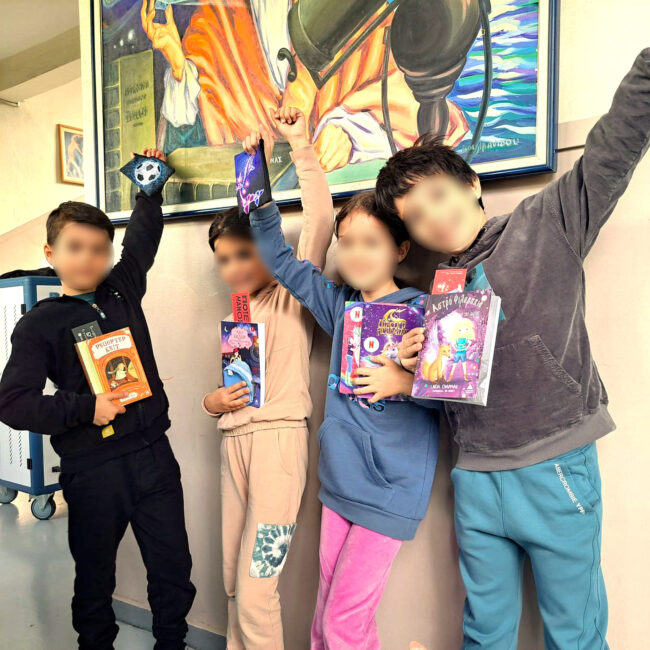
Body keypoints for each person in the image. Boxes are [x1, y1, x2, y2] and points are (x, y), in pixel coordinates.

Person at [374, 48, 650, 649]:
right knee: (484, 634)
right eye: (415, 216)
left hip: (555, 466)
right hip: (474, 475)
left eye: (439, 195)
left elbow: (613, 147)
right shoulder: (438, 285)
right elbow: (449, 383)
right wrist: (418, 367)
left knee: (575, 635)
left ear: (471, 184)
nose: (432, 219)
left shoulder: (546, 223)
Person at [0, 149, 195, 650]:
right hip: (93, 469)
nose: (88, 259)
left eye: (99, 249)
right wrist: (88, 408)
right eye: (75, 247)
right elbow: (13, 403)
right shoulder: (39, 324)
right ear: (51, 253)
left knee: (173, 571)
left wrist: (148, 189)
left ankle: (172, 643)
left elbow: (142, 243)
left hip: (155, 457)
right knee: (94, 581)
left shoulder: (120, 290)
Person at [248, 186, 441, 648]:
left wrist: (404, 381)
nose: (356, 254)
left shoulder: (424, 312)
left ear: (400, 249)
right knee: (325, 620)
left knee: (343, 623)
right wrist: (256, 190)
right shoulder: (341, 306)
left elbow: (453, 395)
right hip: (338, 482)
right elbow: (279, 259)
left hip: (389, 491)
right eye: (347, 242)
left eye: (371, 242)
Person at [201, 106, 335, 650]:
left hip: (280, 449)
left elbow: (321, 220)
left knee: (259, 587)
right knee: (233, 582)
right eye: (223, 259)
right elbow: (231, 389)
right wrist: (212, 403)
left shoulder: (292, 292)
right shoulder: (237, 310)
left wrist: (297, 147)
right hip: (233, 445)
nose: (234, 267)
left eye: (244, 254)